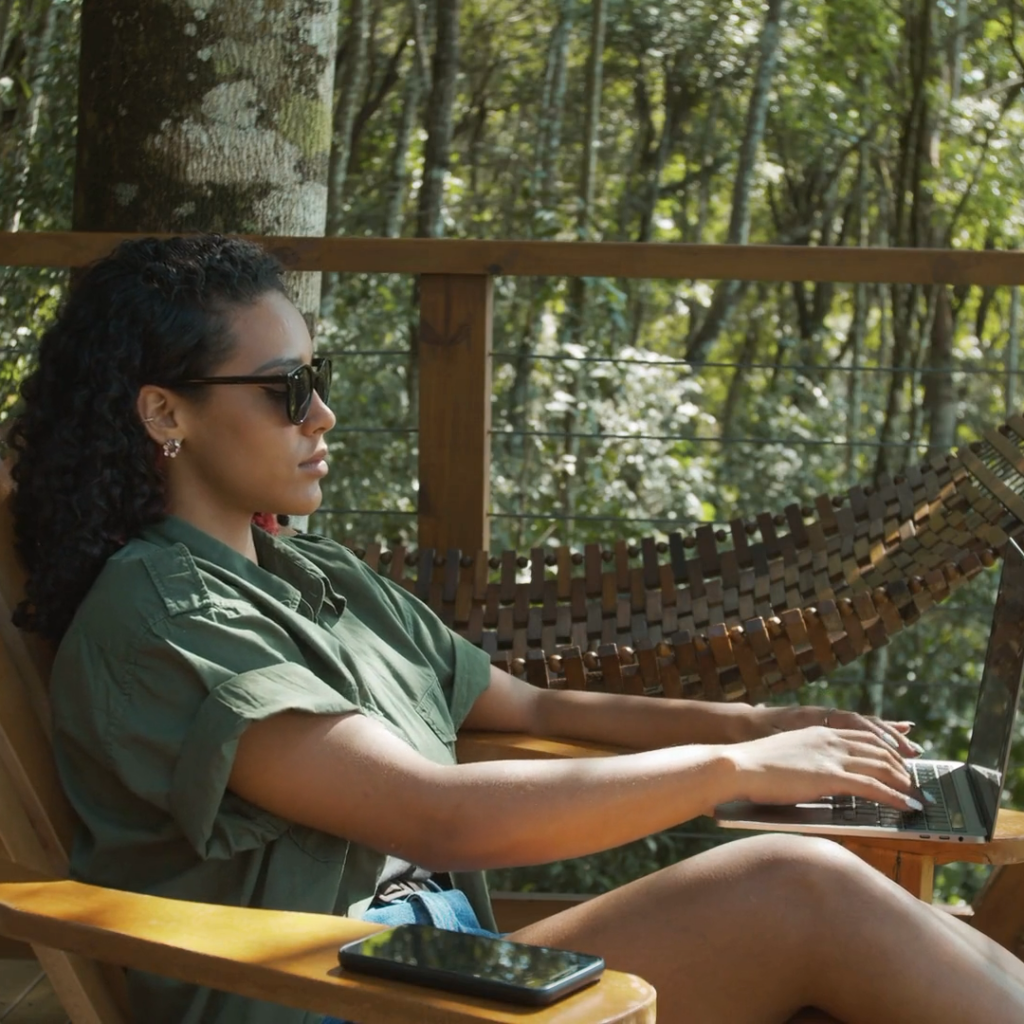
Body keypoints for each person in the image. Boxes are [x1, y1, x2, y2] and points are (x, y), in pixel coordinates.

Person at [7, 235, 1024, 1024]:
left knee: (969, 916)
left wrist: (759, 723)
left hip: (448, 975)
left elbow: (530, 706)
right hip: (327, 996)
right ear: (163, 414)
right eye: (286, 390)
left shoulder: (315, 575)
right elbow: (434, 816)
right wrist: (730, 768)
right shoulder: (164, 615)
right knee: (800, 889)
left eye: (319, 382)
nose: (321, 417)